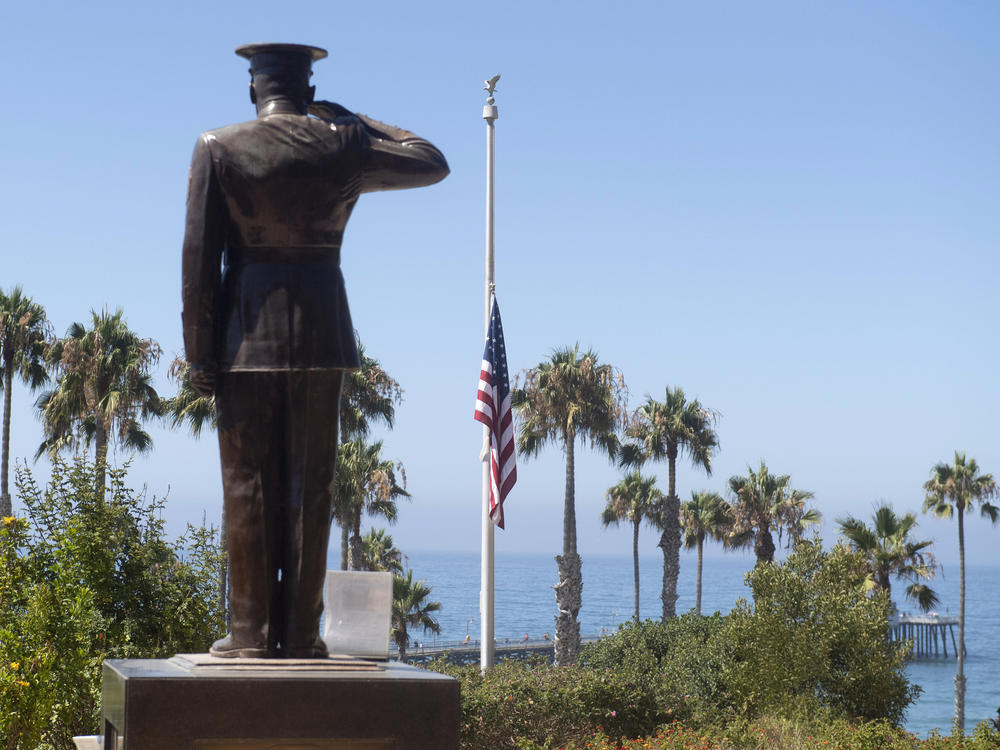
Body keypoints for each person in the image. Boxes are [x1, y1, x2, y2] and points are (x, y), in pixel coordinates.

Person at [182, 42, 448, 658]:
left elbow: (198, 261)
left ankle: (249, 635)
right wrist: (353, 121)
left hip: (244, 337)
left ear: (253, 89)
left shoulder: (218, 147)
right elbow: (431, 160)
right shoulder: (341, 146)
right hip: (323, 331)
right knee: (311, 487)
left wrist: (200, 354)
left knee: (247, 485)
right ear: (308, 90)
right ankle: (301, 633)